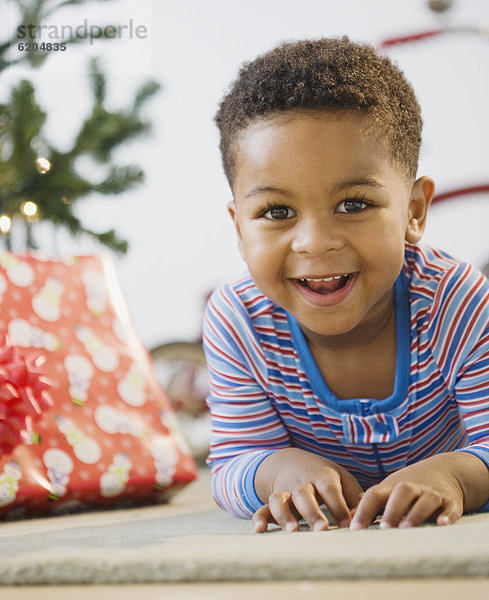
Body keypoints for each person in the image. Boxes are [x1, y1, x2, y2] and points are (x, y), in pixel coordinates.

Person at [203, 36, 489, 533]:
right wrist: (279, 471)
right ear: (239, 228)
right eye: (276, 212)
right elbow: (233, 463)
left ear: (414, 212)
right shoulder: (239, 321)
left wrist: (454, 476)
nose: (315, 243)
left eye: (353, 204)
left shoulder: (457, 301)